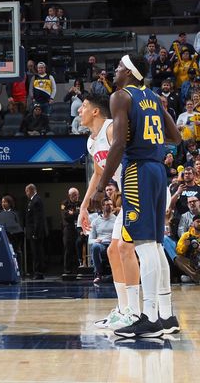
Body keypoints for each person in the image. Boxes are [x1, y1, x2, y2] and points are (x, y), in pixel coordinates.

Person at [98, 54, 181, 338]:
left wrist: (102, 186)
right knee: (156, 245)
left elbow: (119, 143)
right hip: (159, 170)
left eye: (119, 67)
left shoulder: (121, 96)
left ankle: (149, 318)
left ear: (131, 72)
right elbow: (176, 137)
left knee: (144, 245)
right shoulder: (154, 98)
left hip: (138, 171)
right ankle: (167, 315)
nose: (115, 71)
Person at [77, 93, 140, 330]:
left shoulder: (111, 128)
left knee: (125, 248)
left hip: (138, 191)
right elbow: (97, 173)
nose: (79, 111)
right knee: (114, 251)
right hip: (128, 197)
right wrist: (84, 206)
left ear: (95, 111)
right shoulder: (91, 141)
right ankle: (124, 309)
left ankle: (134, 312)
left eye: (83, 107)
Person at [90, 198, 116, 283]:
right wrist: (95, 240)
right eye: (107, 204)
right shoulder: (96, 221)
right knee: (95, 246)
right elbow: (90, 240)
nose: (109, 206)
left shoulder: (116, 220)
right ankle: (98, 274)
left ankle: (116, 274)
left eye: (111, 204)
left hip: (113, 243)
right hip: (101, 244)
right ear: (102, 207)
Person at [24, 183, 46, 279]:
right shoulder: (33, 201)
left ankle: (38, 272)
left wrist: (35, 233)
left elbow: (37, 219)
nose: (26, 194)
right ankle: (37, 272)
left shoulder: (36, 201)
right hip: (33, 232)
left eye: (27, 191)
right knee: (36, 252)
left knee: (37, 253)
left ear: (31, 190)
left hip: (35, 233)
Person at [61, 187, 80, 275]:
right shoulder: (64, 204)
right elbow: (65, 216)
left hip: (78, 229)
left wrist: (74, 213)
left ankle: (77, 269)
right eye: (73, 195)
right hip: (68, 229)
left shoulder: (81, 203)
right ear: (69, 196)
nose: (76, 196)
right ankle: (67, 270)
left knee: (77, 249)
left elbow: (82, 215)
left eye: (77, 194)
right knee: (68, 250)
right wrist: (76, 214)